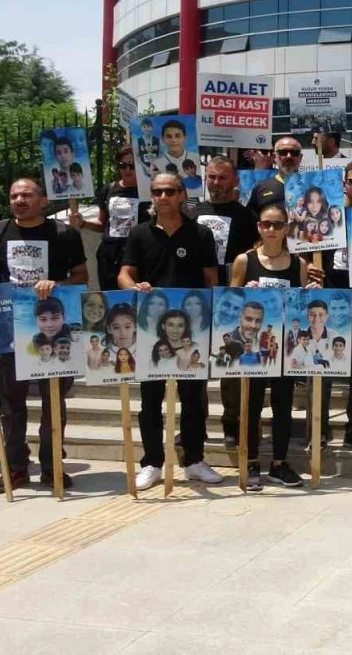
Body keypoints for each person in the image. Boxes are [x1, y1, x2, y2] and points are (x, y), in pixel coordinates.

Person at [0, 180, 87, 494]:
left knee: (54, 402)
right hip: (12, 332)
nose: (19, 200)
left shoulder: (64, 234)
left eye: (26, 195)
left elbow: (81, 276)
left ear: (43, 200)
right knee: (11, 403)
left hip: (55, 329)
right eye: (14, 196)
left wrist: (56, 284)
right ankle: (15, 468)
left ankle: (52, 467)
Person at [118, 172, 223, 491]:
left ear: (181, 195)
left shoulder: (200, 233)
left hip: (191, 328)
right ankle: (152, 463)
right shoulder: (139, 233)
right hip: (151, 328)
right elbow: (124, 273)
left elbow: (211, 279)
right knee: (150, 399)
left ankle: (194, 460)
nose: (163, 196)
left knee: (193, 398)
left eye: (169, 191)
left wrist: (211, 323)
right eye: (157, 191)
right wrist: (133, 287)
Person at [228, 203, 313, 489]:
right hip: (252, 347)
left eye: (278, 224)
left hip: (283, 347)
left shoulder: (298, 264)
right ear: (259, 227)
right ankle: (251, 460)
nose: (272, 229)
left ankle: (279, 463)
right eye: (267, 224)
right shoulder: (245, 260)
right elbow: (230, 303)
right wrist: (244, 294)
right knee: (251, 404)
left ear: (287, 228)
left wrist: (311, 293)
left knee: (283, 405)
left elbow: (300, 306)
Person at [197, 156, 260, 446]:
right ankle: (194, 424)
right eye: (211, 177)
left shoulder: (247, 217)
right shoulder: (192, 212)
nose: (216, 183)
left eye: (222, 177)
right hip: (199, 297)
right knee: (196, 364)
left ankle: (232, 424)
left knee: (231, 362)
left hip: (233, 296)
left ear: (235, 181)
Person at [70, 147, 148, 290]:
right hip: (110, 254)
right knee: (110, 295)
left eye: (132, 166)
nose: (127, 170)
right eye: (123, 165)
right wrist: (83, 223)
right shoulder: (109, 189)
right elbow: (102, 224)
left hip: (138, 253)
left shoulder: (149, 192)